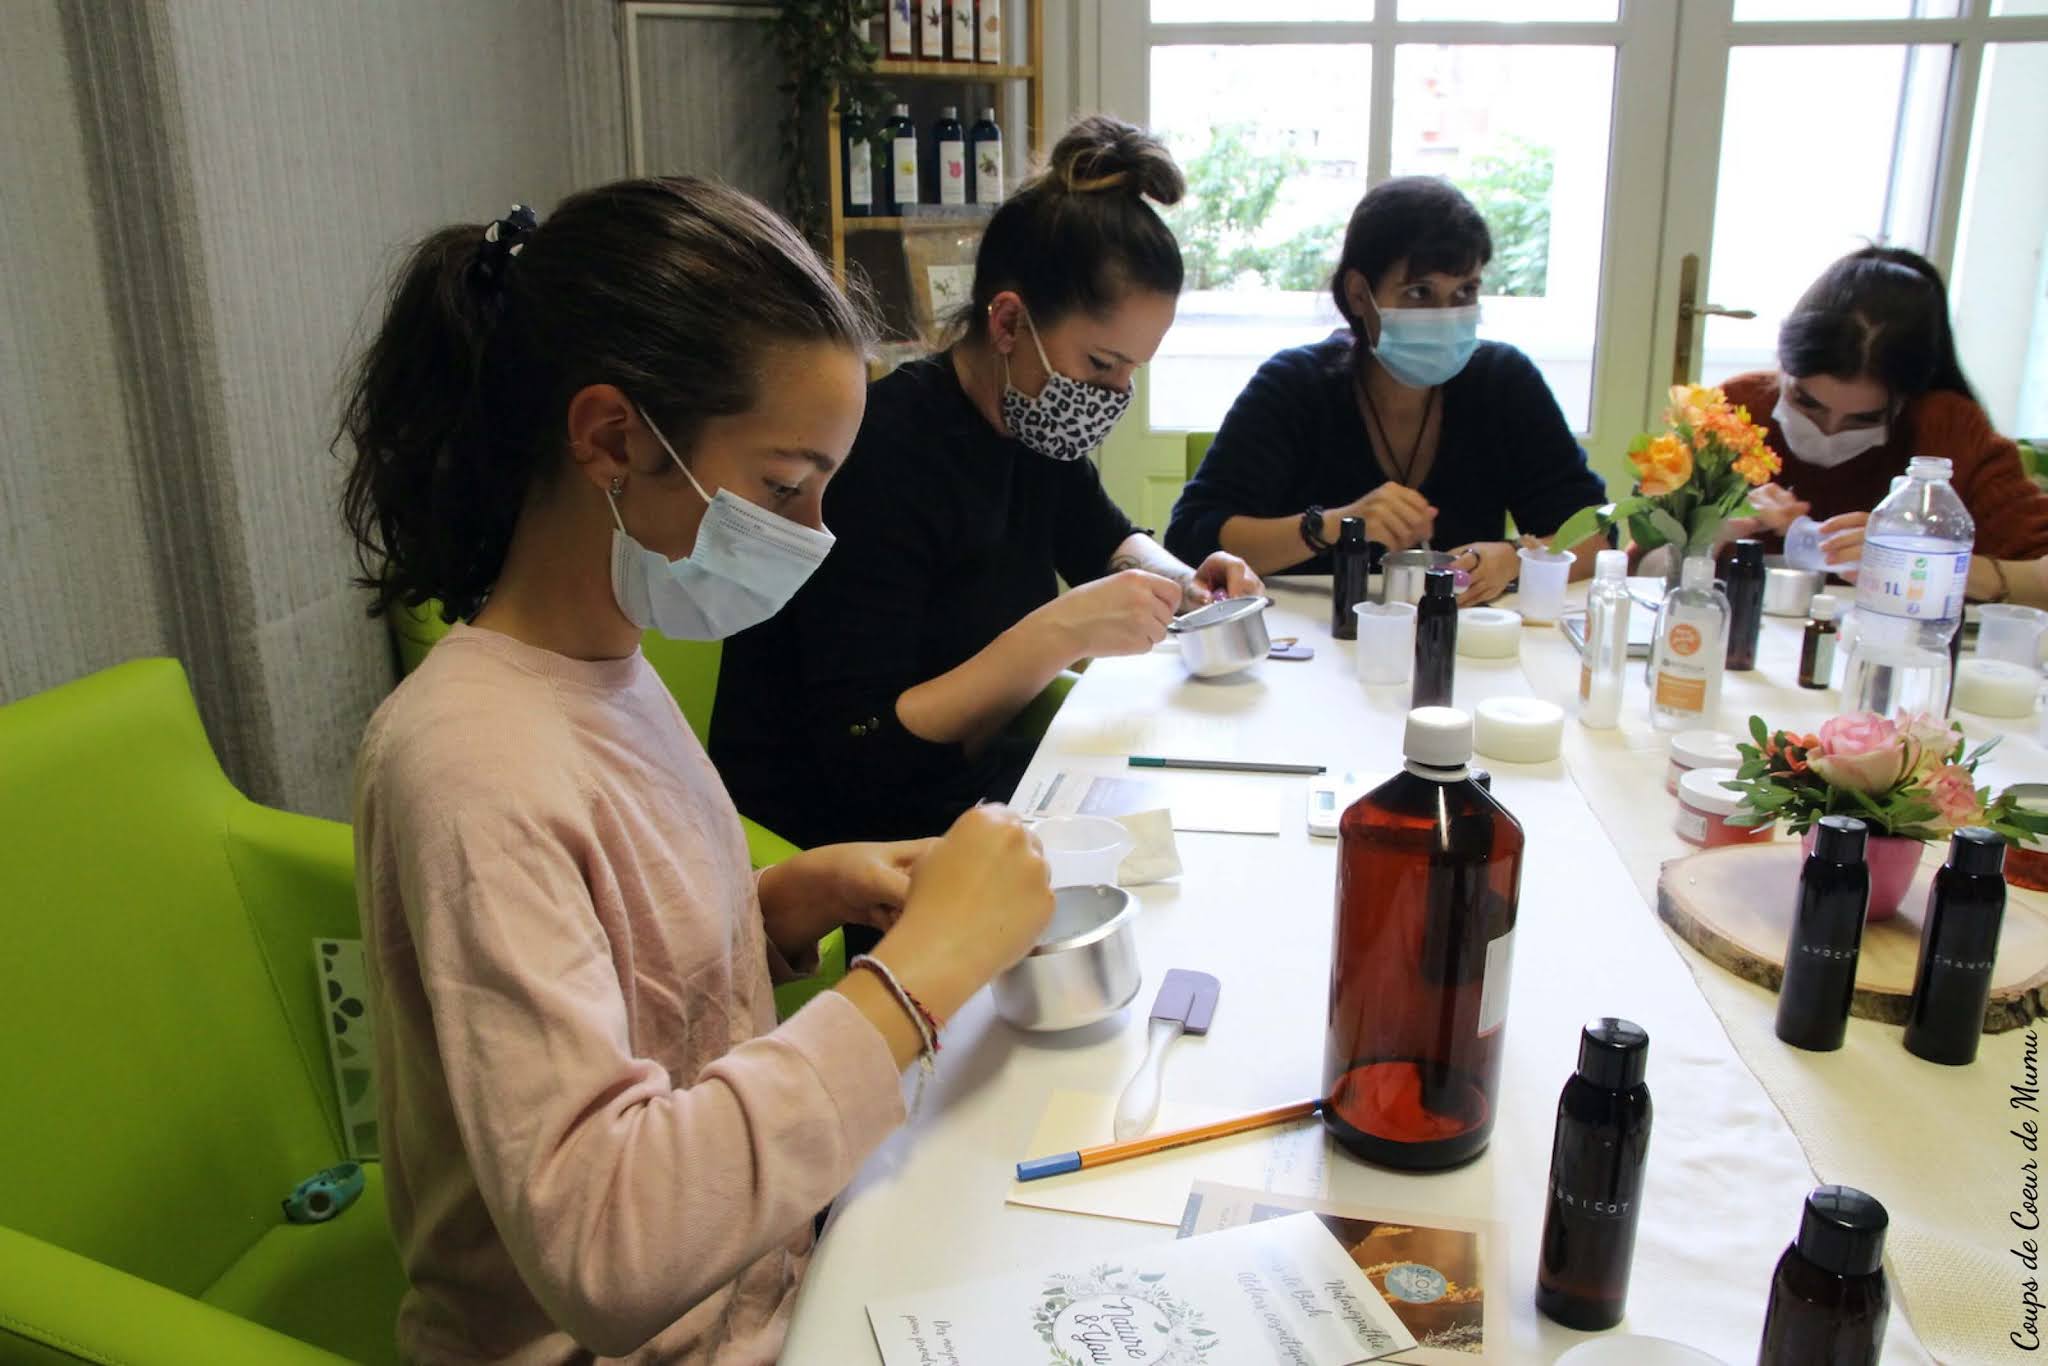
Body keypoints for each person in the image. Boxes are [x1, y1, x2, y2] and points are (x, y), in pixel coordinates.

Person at [339, 181, 1054, 1364]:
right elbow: (607, 1250)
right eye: (784, 487)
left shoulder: (610, 667)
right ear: (613, 437)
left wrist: (790, 898)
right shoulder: (467, 763)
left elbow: (627, 972)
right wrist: (916, 981)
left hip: (766, 1283)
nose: (816, 533)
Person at [711, 117, 1260, 852]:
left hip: (960, 787)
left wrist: (1192, 584)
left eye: (1133, 370)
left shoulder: (1032, 426)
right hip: (841, 834)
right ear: (1008, 322)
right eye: (1101, 365)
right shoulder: (881, 457)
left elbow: (1103, 538)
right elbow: (863, 750)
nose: (1114, 394)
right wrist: (1058, 634)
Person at [1165, 176, 1609, 605]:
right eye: (1419, 293)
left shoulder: (1504, 383)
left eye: (1465, 292)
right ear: (1360, 294)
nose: (1445, 314)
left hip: (1455, 644)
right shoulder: (1296, 385)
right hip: (1309, 644)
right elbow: (1191, 537)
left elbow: (1596, 532)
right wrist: (1332, 526)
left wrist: (1515, 560)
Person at [1720, 246, 2048, 566]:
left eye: (1864, 419)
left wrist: (1924, 557)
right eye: (1806, 403)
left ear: (1908, 400)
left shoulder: (1948, 428)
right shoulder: (1733, 411)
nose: (1828, 431)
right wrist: (1713, 527)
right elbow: (1668, 544)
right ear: (1782, 363)